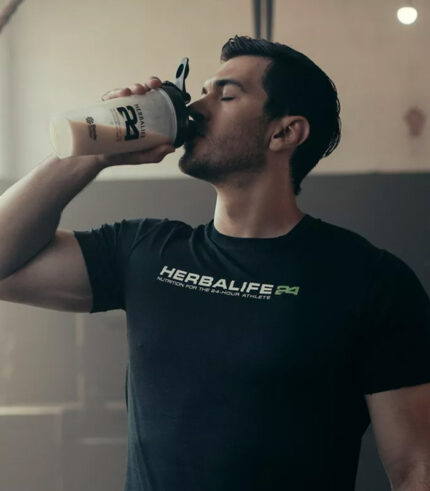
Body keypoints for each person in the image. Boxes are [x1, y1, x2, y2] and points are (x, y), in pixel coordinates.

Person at [0, 35, 429, 491]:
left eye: (225, 96)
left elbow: (415, 467)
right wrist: (90, 155)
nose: (197, 107)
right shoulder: (144, 249)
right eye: (202, 91)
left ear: (285, 132)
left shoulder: (369, 280)